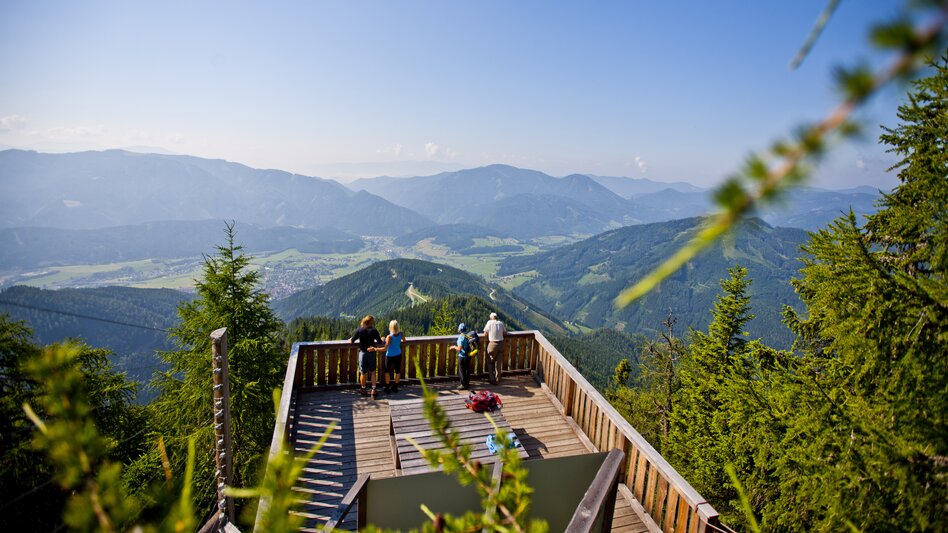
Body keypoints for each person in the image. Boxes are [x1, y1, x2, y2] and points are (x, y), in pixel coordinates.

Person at [350, 315, 383, 398]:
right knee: (373, 372)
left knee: (363, 372)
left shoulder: (360, 330)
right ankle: (373, 390)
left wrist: (350, 339)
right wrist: (383, 338)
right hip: (371, 353)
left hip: (363, 353)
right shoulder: (374, 330)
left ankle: (363, 389)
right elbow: (379, 342)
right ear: (371, 322)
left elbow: (352, 341)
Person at [482, 312, 506, 385]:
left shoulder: (489, 323)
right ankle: (498, 378)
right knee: (498, 363)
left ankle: (491, 378)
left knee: (489, 362)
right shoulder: (501, 323)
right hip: (501, 344)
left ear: (491, 317)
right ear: (496, 317)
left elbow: (485, 333)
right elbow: (505, 333)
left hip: (492, 344)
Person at [381, 319, 404, 394]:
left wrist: (384, 339)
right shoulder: (401, 334)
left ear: (391, 327)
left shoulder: (389, 336)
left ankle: (387, 387)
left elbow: (385, 347)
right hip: (398, 354)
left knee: (387, 371)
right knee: (397, 371)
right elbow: (404, 341)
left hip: (390, 356)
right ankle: (395, 387)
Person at [448, 322, 472, 390]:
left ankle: (463, 385)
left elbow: (459, 348)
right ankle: (467, 383)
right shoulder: (467, 336)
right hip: (468, 355)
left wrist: (453, 347)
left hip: (462, 356)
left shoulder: (461, 337)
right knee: (467, 370)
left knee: (462, 371)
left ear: (460, 329)